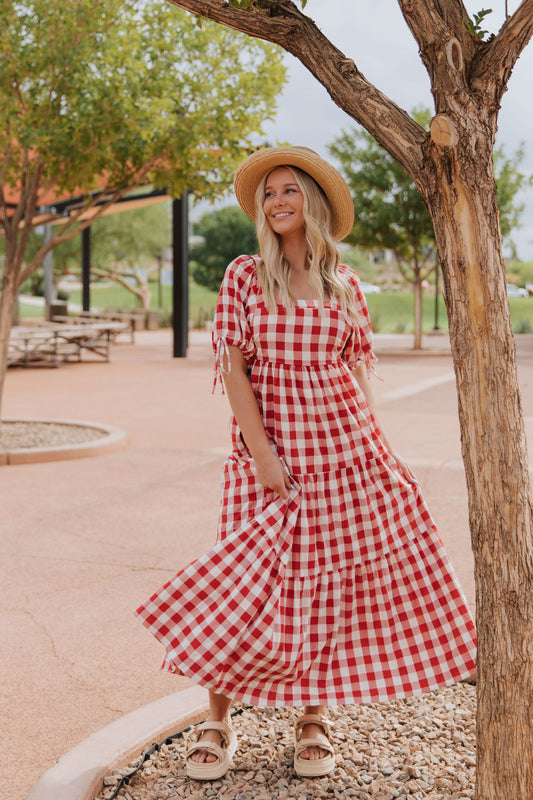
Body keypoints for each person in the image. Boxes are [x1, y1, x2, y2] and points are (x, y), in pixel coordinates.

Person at [135, 146, 477, 781]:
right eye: (268, 194)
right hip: (267, 455)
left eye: (288, 190)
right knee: (242, 584)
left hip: (342, 452)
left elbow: (355, 374)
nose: (277, 202)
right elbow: (234, 371)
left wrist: (379, 449)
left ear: (312, 201)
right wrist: (263, 455)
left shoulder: (345, 285)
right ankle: (217, 720)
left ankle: (313, 718)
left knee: (324, 584)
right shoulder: (244, 275)